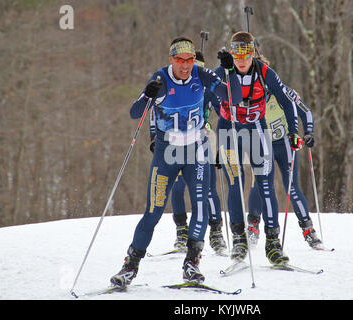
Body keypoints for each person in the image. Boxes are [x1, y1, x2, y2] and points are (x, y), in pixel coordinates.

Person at [110, 37, 241, 286]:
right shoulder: (159, 79)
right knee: (153, 211)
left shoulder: (200, 76)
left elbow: (233, 96)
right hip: (166, 153)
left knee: (201, 206)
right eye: (180, 61)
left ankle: (192, 263)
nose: (185, 66)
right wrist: (146, 96)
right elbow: (135, 113)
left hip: (196, 152)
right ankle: (130, 266)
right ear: (171, 59)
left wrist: (230, 69)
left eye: (190, 60)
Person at [214, 31, 303, 266]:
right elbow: (207, 96)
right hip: (229, 130)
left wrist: (293, 131)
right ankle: (239, 239)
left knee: (265, 183)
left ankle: (273, 243)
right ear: (231, 54)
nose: (241, 60)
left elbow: (287, 102)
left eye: (246, 54)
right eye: (236, 54)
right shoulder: (222, 71)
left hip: (256, 130)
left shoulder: (265, 73)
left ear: (254, 53)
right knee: (235, 182)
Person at [150, 51, 227, 255]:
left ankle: (216, 230)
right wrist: (153, 138)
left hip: (202, 142)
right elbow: (155, 113)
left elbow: (223, 109)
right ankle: (181, 231)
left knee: (208, 190)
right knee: (177, 188)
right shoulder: (173, 87)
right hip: (175, 146)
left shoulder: (206, 88)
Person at [246, 76, 322, 249]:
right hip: (261, 146)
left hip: (284, 144)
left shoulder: (282, 91)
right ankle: (253, 226)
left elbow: (306, 112)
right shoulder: (247, 94)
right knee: (259, 185)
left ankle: (308, 230)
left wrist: (308, 132)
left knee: (292, 187)